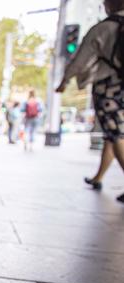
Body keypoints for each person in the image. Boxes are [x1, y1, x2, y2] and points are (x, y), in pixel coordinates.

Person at [57, 0, 124, 203]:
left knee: (116, 134)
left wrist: (64, 81)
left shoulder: (103, 28)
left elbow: (80, 59)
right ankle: (98, 177)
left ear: (109, 5)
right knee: (111, 135)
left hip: (109, 88)